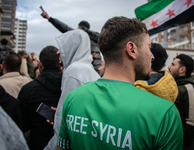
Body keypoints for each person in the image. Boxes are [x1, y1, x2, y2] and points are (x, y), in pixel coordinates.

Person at [56, 17, 183, 150]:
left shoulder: (73, 98)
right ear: (132, 49)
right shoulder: (165, 114)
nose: (152, 56)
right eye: (149, 47)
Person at [44, 29, 100, 150]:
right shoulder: (90, 70)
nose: (58, 52)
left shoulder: (73, 71)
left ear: (73, 47)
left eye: (64, 46)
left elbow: (62, 120)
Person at [18, 46, 62, 150]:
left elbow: (22, 123)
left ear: (40, 64)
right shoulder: (70, 87)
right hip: (63, 144)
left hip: (37, 144)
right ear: (59, 63)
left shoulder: (28, 89)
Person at [40, 7, 102, 73]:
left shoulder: (79, 35)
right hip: (99, 69)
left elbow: (64, 28)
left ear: (79, 28)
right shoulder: (96, 38)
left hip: (86, 70)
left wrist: (49, 18)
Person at [168, 54, 194, 149]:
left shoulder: (189, 88)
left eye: (173, 65)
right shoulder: (177, 86)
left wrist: (180, 142)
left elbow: (193, 123)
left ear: (182, 69)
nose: (169, 67)